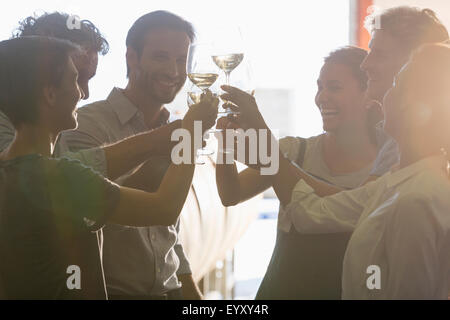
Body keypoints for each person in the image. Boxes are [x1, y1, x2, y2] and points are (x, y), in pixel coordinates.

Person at [0, 36, 218, 299]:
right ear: (49, 94)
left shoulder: (12, 171)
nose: (83, 93)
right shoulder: (60, 177)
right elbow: (163, 209)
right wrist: (191, 133)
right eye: (74, 80)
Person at [274, 42, 450, 299]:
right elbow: (310, 213)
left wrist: (267, 156)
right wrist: (266, 155)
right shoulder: (396, 182)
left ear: (415, 109)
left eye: (395, 86)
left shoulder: (417, 200)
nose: (382, 95)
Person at [56, 11, 203, 300]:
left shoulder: (176, 130)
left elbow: (168, 233)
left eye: (181, 60)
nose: (174, 72)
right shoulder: (83, 124)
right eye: (161, 57)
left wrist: (192, 296)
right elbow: (89, 213)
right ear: (131, 57)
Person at [216, 47, 377, 299]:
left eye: (334, 87)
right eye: (319, 87)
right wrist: (224, 144)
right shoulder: (295, 150)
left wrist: (275, 158)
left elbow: (345, 206)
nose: (321, 97)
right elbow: (231, 194)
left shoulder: (384, 169)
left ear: (369, 94)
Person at [1, 12, 183, 183]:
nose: (84, 94)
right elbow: (42, 179)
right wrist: (157, 143)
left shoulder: (50, 130)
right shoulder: (12, 128)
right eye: (76, 77)